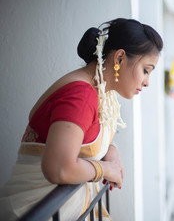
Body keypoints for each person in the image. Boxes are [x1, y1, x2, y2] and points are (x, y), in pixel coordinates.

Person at [0, 18, 163, 220]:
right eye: (146, 70)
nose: (147, 82)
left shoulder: (100, 91)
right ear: (120, 58)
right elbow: (59, 168)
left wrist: (111, 151)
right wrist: (105, 170)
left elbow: (86, 137)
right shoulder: (81, 94)